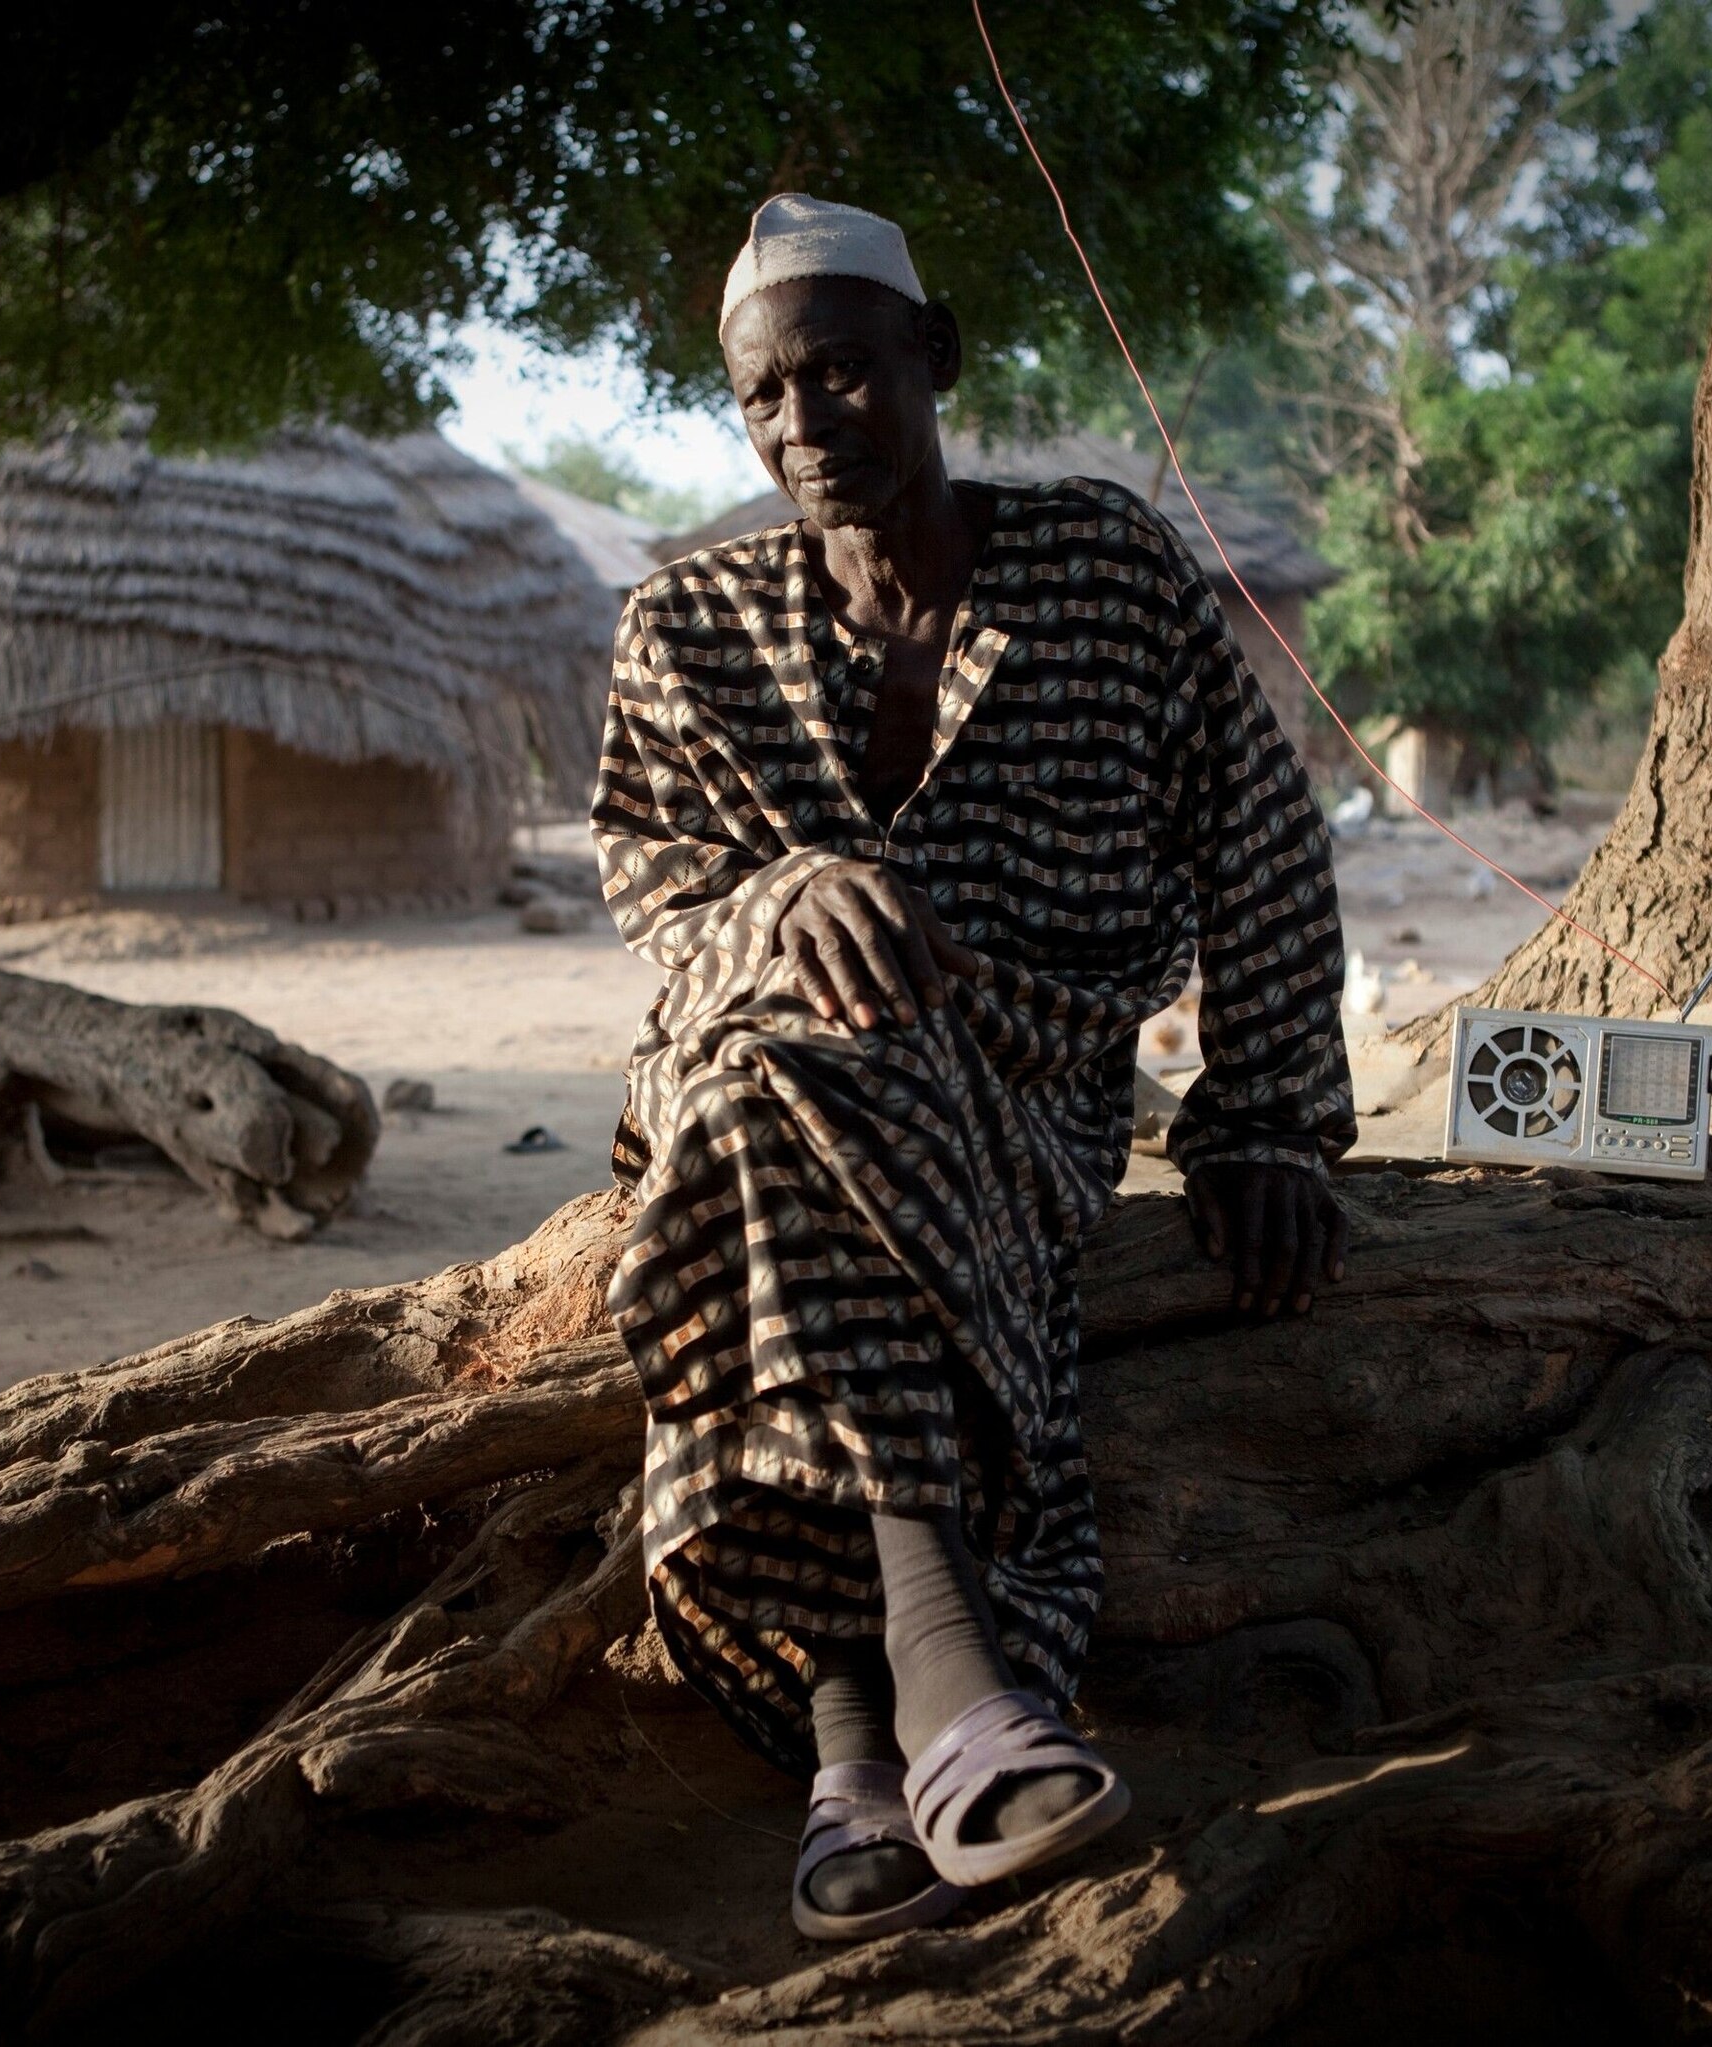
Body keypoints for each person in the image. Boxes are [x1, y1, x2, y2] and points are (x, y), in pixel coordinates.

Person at [592, 193, 1354, 1941]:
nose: (804, 426)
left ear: (931, 360)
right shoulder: (685, 630)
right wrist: (789, 893)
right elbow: (658, 897)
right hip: (743, 1086)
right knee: (783, 1056)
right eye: (766, 397)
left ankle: (854, 1744)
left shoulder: (1105, 569)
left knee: (788, 1091)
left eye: (844, 376)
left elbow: (1261, 837)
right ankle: (958, 1678)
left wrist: (1270, 1120)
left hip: (1021, 1091)